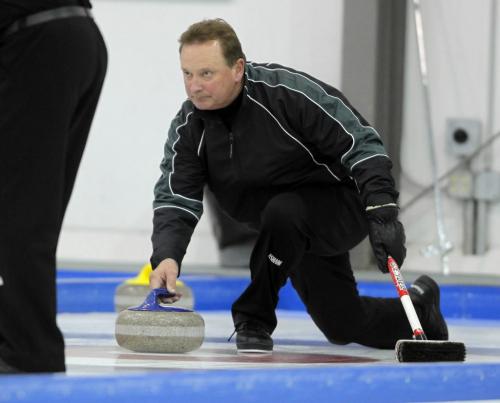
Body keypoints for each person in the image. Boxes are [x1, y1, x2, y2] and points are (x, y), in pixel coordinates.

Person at [149, 18, 448, 353]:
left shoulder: (287, 95)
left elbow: (362, 143)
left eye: (206, 74)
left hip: (340, 205)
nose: (194, 86)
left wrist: (382, 212)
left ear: (237, 68)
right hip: (285, 232)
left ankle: (253, 317)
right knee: (341, 324)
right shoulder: (190, 128)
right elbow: (176, 196)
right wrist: (167, 256)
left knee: (284, 210)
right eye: (187, 74)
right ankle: (423, 311)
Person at [0, 1, 107, 372]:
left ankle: (30, 349)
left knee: (22, 211)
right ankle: (20, 339)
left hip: (35, 42)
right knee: (31, 209)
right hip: (78, 38)